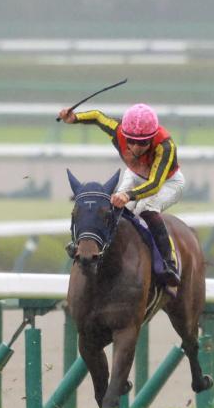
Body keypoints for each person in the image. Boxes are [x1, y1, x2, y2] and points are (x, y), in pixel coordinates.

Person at [57, 103, 182, 287]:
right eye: (131, 141)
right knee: (114, 208)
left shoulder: (165, 146)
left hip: (167, 182)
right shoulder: (117, 130)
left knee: (146, 209)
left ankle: (168, 262)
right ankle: (95, 249)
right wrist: (75, 118)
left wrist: (128, 195)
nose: (136, 148)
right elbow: (98, 117)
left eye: (143, 143)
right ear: (125, 134)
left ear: (152, 137)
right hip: (136, 174)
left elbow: (155, 184)